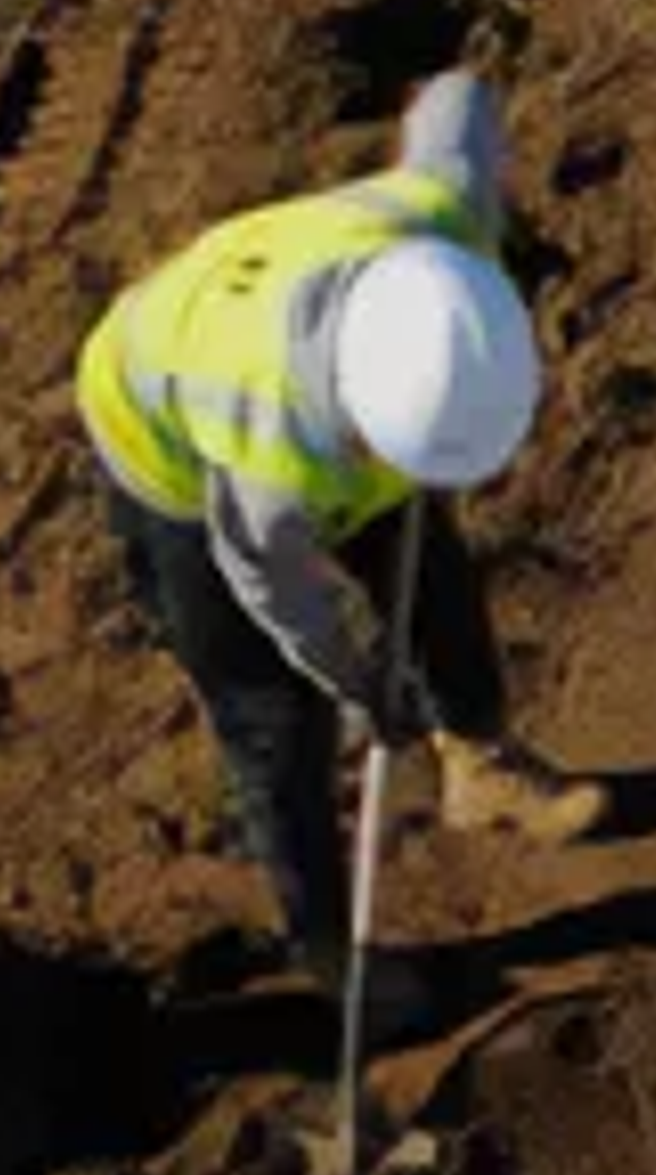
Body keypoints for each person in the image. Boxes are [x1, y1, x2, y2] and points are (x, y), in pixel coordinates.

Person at [76, 69, 605, 1026]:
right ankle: (327, 949)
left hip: (287, 305)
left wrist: (467, 87)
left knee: (433, 572)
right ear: (357, 427)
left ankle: (480, 764)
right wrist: (364, 688)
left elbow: (458, 108)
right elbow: (277, 589)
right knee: (270, 712)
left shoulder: (444, 225)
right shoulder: (272, 451)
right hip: (162, 422)